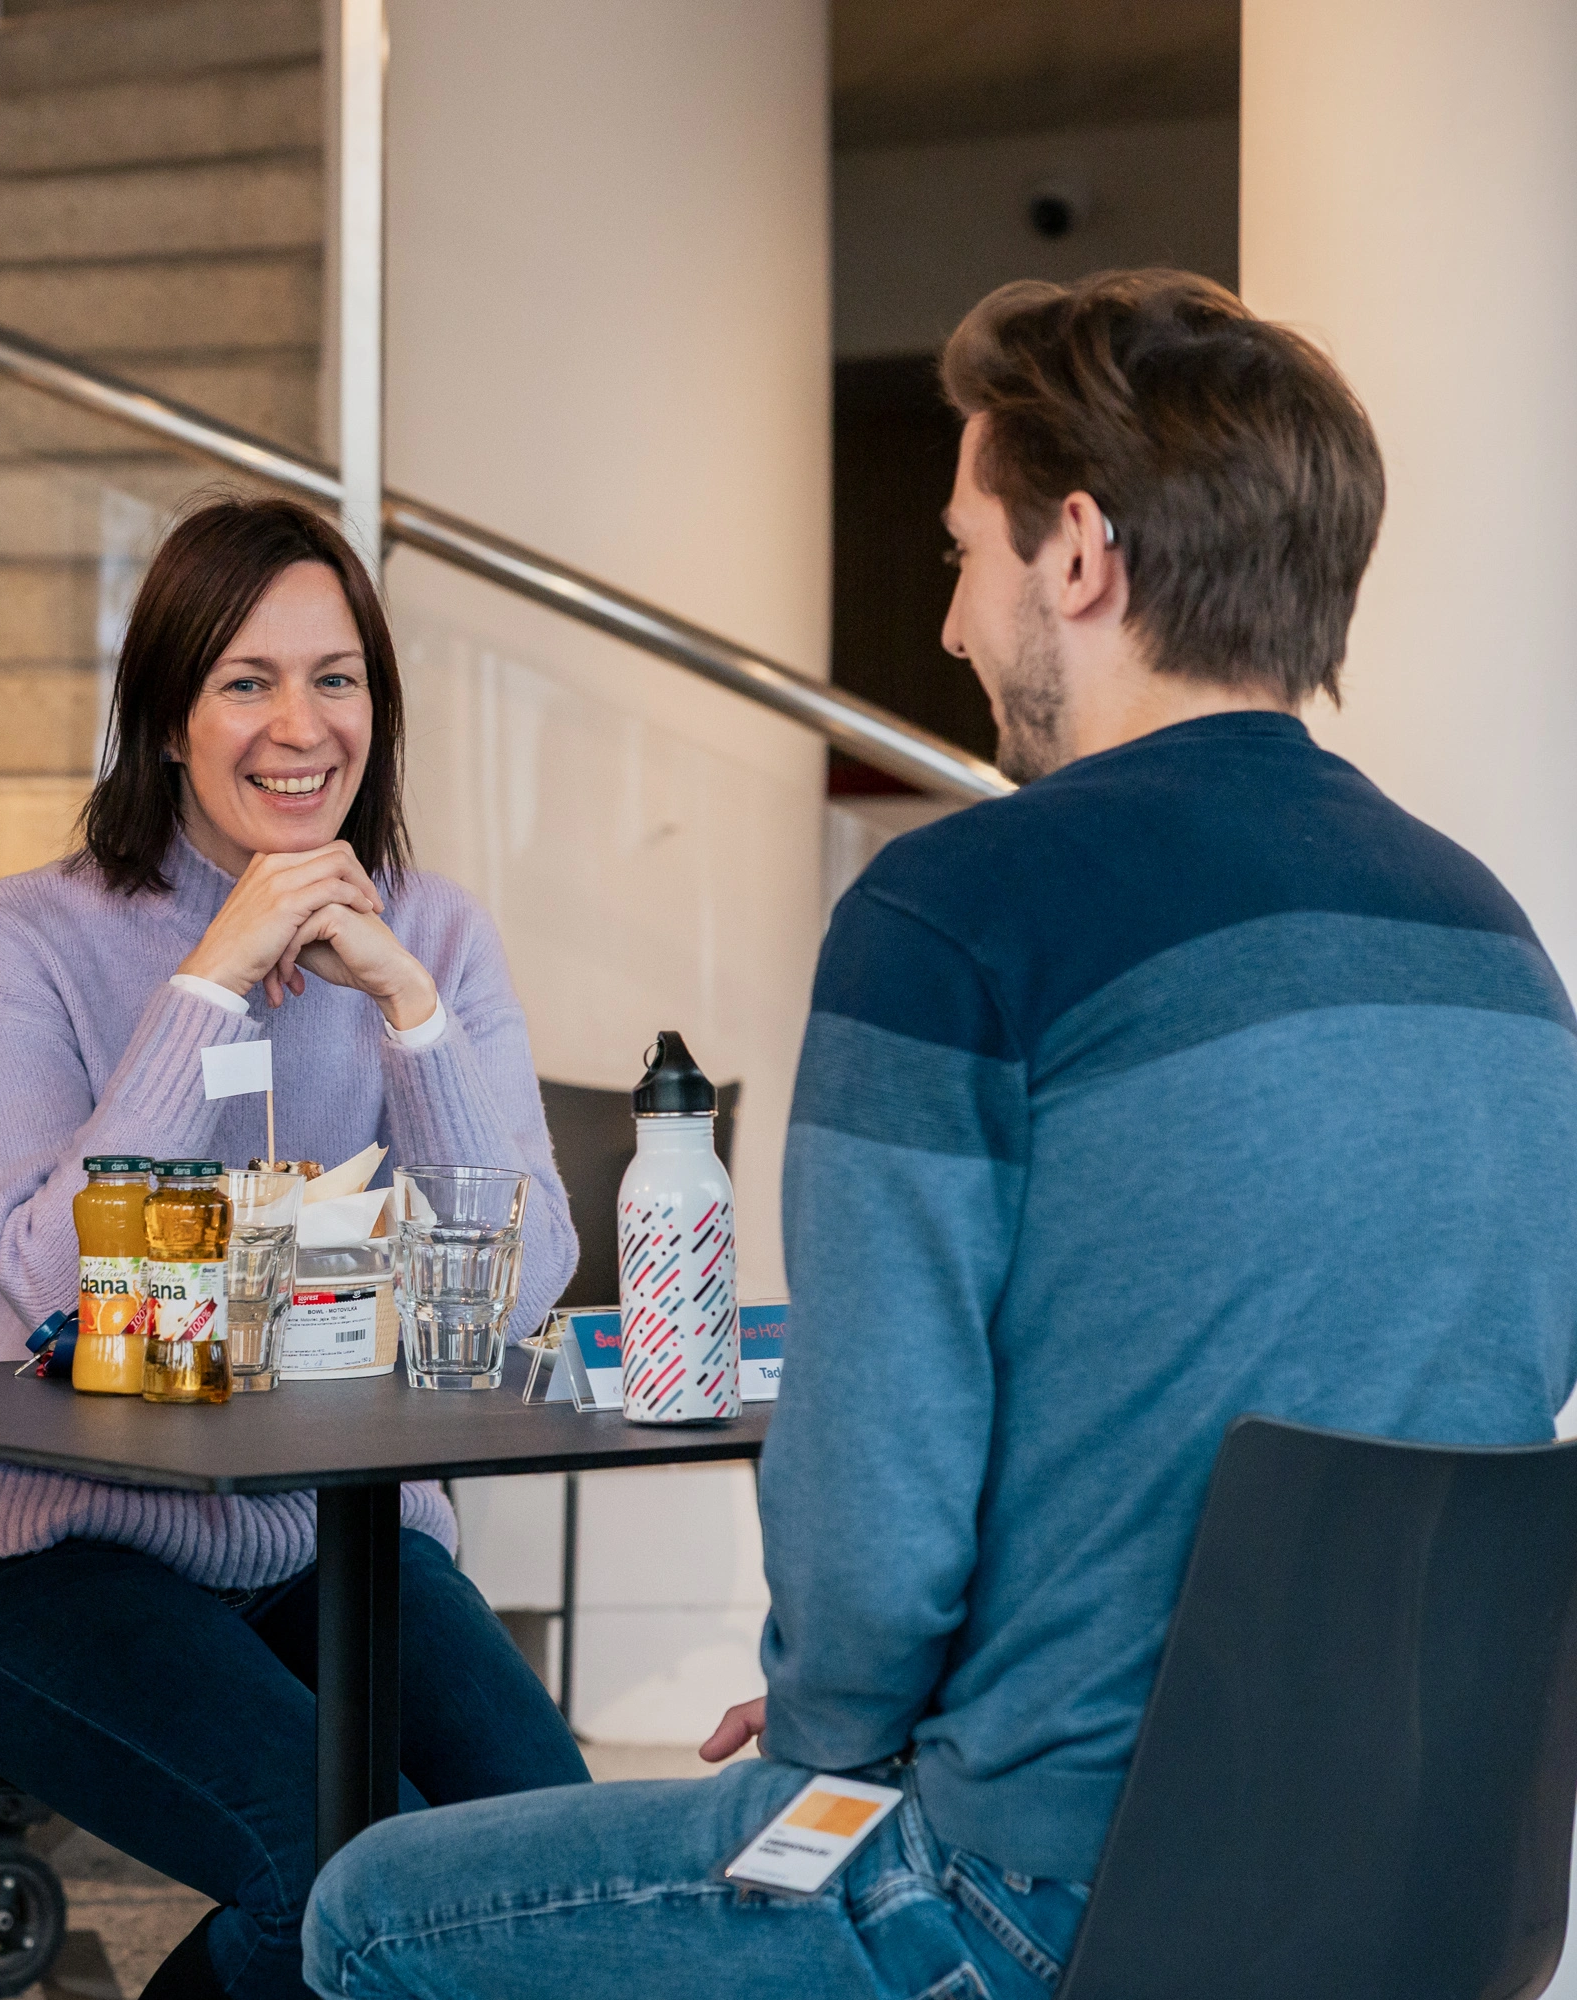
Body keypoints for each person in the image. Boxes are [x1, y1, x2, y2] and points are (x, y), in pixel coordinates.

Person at [301, 270, 1577, 2000]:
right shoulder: (1494, 943)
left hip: (1031, 1898)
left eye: (963, 555)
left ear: (1078, 554)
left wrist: (833, 1737)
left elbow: (877, 1505)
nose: (958, 627)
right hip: (1429, 1900)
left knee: (375, 1912)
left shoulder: (960, 912)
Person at [0, 496, 588, 2000]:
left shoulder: (438, 934)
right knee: (349, 1868)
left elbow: (520, 1288)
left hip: (337, 1536)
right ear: (163, 721)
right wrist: (207, 986)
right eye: (246, 681)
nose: (301, 724)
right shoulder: (22, 936)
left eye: (336, 678)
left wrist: (406, 1008)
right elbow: (60, 1283)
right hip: (45, 1551)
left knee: (553, 1867)